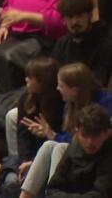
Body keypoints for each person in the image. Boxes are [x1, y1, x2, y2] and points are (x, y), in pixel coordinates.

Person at [18, 63, 112, 198]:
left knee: (59, 147)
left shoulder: (105, 105)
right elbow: (53, 189)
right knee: (48, 145)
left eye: (61, 86)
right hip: (76, 155)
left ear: (74, 90)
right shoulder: (70, 104)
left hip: (92, 159)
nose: (57, 89)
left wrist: (52, 135)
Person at [0, 57, 63, 198]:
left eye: (30, 77)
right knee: (10, 181)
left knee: (15, 183)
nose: (26, 80)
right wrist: (26, 160)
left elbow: (63, 142)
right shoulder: (27, 98)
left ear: (43, 81)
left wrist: (47, 133)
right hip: (28, 157)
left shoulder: (61, 103)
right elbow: (23, 135)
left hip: (51, 161)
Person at [45, 103, 112, 197]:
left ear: (107, 133)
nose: (89, 142)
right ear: (77, 133)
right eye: (84, 135)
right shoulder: (73, 149)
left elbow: (101, 194)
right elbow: (52, 189)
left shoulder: (109, 155)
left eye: (95, 136)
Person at [52, 0, 112, 86]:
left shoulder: (105, 44)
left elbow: (100, 80)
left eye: (79, 16)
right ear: (64, 20)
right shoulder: (62, 43)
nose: (74, 22)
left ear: (90, 16)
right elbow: (54, 75)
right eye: (70, 17)